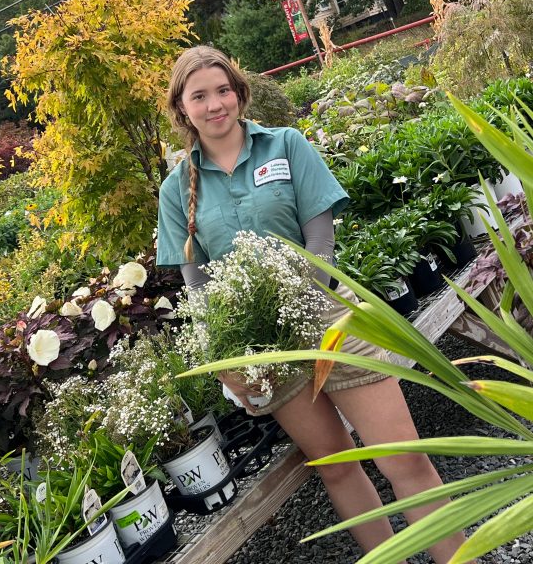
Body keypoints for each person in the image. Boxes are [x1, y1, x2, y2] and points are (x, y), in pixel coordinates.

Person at [157, 45, 469, 562]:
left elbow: (320, 244)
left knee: (404, 459)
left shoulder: (286, 145)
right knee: (337, 467)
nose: (215, 105)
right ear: (182, 108)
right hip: (262, 349)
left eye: (223, 90)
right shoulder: (175, 191)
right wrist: (228, 364)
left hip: (330, 316)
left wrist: (292, 306)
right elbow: (200, 287)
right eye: (200, 96)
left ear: (239, 93)